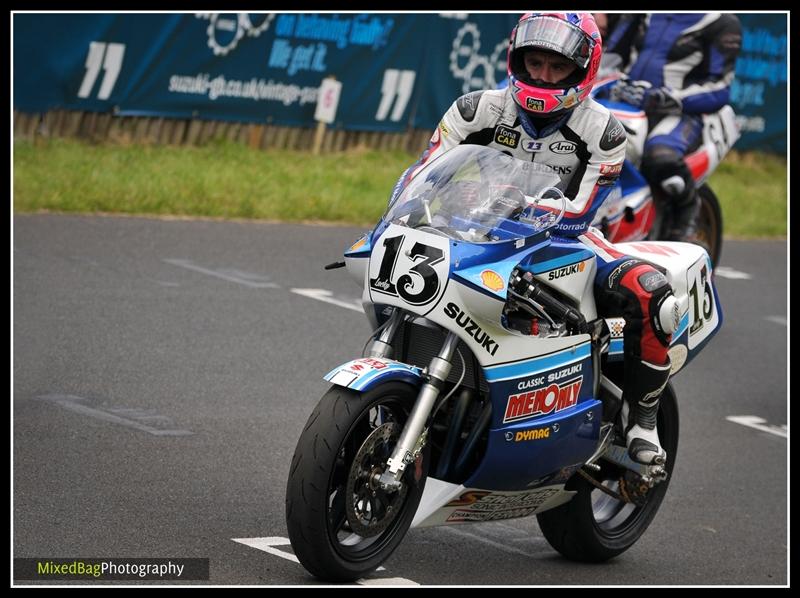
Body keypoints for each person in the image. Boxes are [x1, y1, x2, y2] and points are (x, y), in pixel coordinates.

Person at [389, 12, 678, 466]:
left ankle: (643, 420)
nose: (544, 76)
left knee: (653, 295)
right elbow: (424, 172)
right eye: (536, 63)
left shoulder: (603, 130)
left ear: (582, 70)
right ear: (517, 59)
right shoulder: (475, 108)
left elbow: (581, 211)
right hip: (477, 232)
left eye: (558, 67)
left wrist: (513, 202)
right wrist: (404, 210)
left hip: (565, 239)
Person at [602, 13, 742, 242]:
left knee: (661, 157)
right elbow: (611, 55)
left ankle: (687, 214)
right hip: (624, 102)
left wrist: (669, 98)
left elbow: (720, 86)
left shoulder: (722, 21)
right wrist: (608, 80)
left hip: (680, 112)